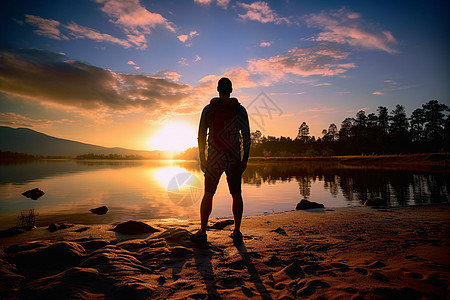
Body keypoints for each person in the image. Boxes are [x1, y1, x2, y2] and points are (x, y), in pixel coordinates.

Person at [192, 77, 251, 246]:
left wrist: (203, 159)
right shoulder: (239, 110)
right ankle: (237, 232)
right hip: (233, 158)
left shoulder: (209, 109)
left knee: (208, 194)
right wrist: (244, 159)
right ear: (231, 90)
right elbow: (246, 137)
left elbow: (201, 137)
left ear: (218, 90)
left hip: (214, 158)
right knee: (236, 194)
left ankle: (203, 233)